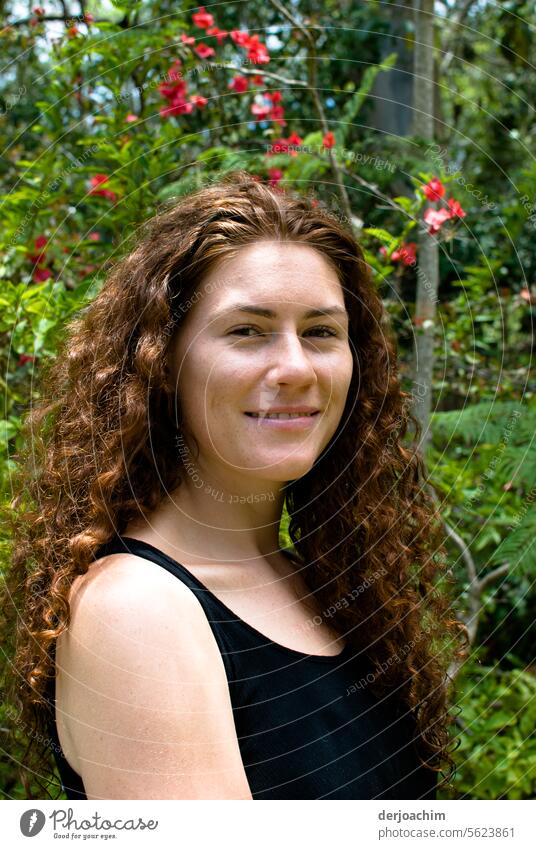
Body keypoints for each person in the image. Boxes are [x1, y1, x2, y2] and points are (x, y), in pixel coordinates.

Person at [3, 171, 466, 800]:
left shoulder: (318, 580)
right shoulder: (136, 611)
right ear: (161, 361)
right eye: (247, 330)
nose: (296, 367)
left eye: (321, 332)